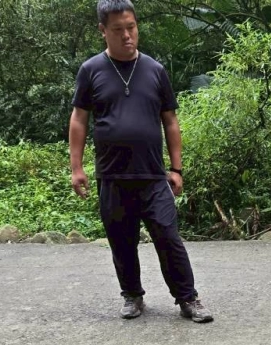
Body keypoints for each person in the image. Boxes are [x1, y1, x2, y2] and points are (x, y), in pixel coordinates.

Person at [69, 0, 213, 322]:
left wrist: (176, 169)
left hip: (152, 175)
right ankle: (132, 295)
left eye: (131, 27)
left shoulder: (154, 70)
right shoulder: (91, 70)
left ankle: (188, 299)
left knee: (168, 236)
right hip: (112, 175)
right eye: (118, 30)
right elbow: (79, 119)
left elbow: (170, 120)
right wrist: (76, 168)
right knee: (121, 239)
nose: (127, 36)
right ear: (102, 31)